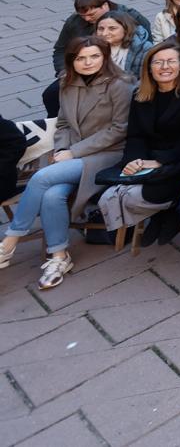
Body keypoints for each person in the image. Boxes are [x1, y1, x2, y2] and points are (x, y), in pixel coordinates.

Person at [0, 37, 131, 288]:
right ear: (72, 61)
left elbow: (119, 129)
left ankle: (9, 242)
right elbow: (62, 124)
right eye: (80, 58)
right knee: (51, 196)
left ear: (105, 57)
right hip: (72, 153)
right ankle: (60, 256)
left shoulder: (120, 84)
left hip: (110, 153)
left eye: (94, 56)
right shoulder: (66, 83)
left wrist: (75, 151)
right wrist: (62, 148)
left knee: (42, 177)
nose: (88, 62)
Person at [96, 44, 180, 246]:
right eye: (158, 62)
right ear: (149, 67)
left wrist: (159, 161)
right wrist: (135, 161)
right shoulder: (141, 94)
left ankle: (169, 209)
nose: (164, 67)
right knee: (108, 196)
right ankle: (161, 212)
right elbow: (135, 136)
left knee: (139, 196)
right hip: (147, 163)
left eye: (171, 61)